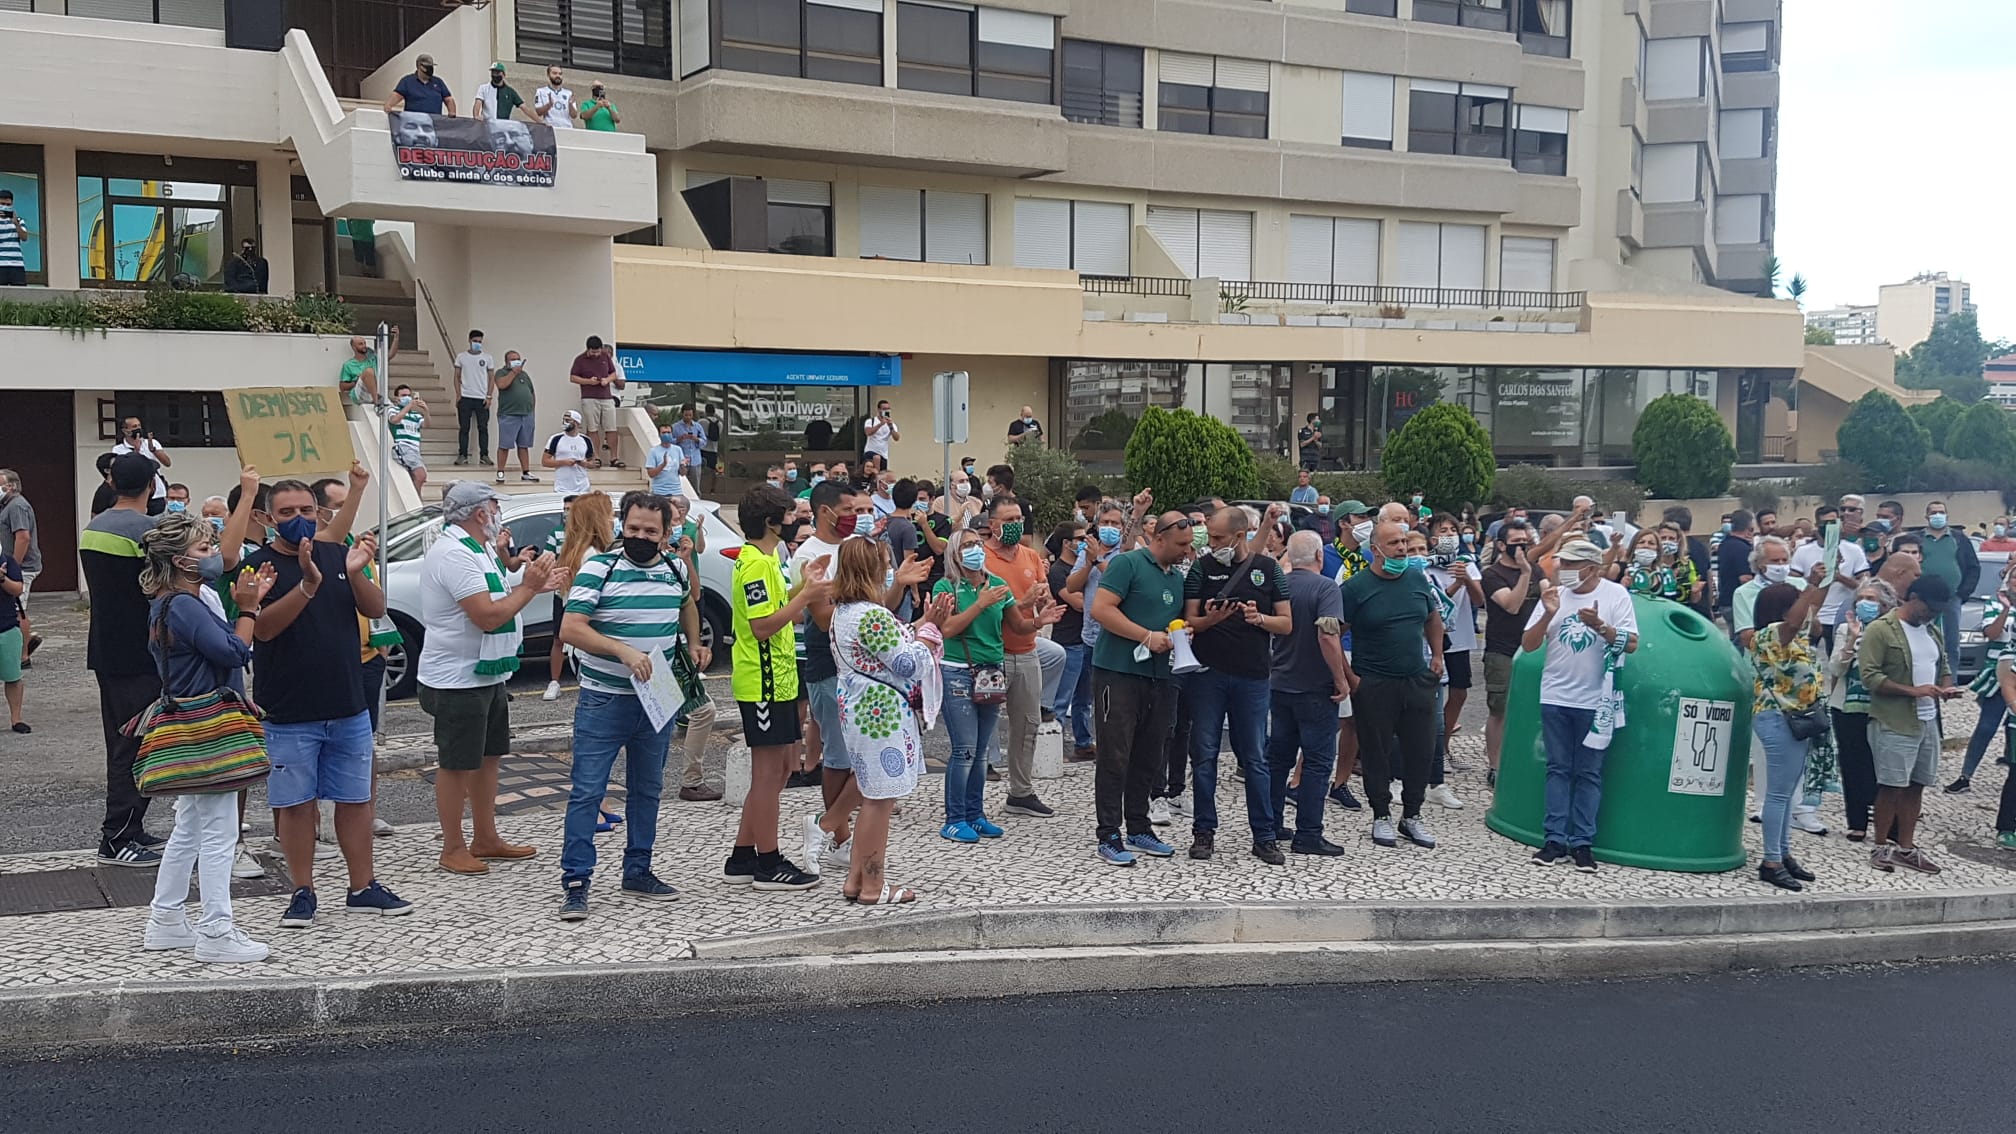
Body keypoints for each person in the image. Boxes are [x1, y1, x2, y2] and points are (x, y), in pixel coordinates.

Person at [244, 475, 412, 927]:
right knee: (297, 805)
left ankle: (363, 886)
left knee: (356, 799)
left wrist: (355, 573)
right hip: (289, 708)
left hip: (347, 703)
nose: (298, 520)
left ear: (319, 514)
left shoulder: (339, 554)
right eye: (286, 513)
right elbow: (262, 629)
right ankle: (303, 890)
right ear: (267, 518)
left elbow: (376, 610)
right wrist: (307, 586)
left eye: (305, 511)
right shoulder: (258, 568)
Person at [555, 492, 708, 918]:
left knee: (648, 788)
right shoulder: (600, 568)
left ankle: (638, 869)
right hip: (605, 697)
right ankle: (576, 879)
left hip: (657, 693)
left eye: (650, 531)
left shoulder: (674, 567)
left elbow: (687, 605)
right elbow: (571, 628)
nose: (640, 536)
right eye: (634, 528)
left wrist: (694, 643)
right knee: (588, 790)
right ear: (622, 526)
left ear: (666, 533)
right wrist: (623, 652)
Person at [136, 515, 277, 963]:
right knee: (219, 830)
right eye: (203, 548)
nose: (214, 553)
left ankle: (166, 919)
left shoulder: (166, 603)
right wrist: (250, 609)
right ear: (181, 561)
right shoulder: (185, 605)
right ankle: (216, 930)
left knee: (190, 826)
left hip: (184, 717)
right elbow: (234, 651)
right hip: (208, 723)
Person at [417, 483, 548, 876]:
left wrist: (533, 586)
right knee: (457, 763)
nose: (498, 514)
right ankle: (453, 846)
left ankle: (486, 836)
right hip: (456, 678)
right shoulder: (454, 553)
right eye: (495, 507)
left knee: (490, 757)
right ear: (479, 513)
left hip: (485, 672)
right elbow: (487, 615)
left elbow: (501, 599)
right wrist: (530, 587)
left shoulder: (481, 551)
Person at [829, 538, 945, 904]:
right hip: (881, 716)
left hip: (859, 711)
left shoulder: (845, 612)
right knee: (880, 802)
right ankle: (874, 885)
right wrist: (930, 632)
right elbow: (907, 663)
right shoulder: (871, 614)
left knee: (870, 796)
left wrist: (922, 624)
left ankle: (855, 879)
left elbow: (890, 644)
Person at [725, 485, 825, 891]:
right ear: (770, 522)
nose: (794, 522)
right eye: (788, 515)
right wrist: (807, 599)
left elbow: (774, 606)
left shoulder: (770, 561)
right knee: (768, 775)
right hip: (762, 683)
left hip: (780, 680)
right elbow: (762, 625)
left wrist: (803, 587)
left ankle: (744, 854)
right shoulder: (754, 565)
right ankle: (768, 860)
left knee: (783, 768)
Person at [1183, 505, 1292, 864]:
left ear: (1239, 535)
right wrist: (1211, 619)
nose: (1211, 544)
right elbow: (1190, 622)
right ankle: (1203, 831)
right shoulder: (1201, 568)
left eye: (1217, 538)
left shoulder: (1268, 569)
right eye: (1209, 537)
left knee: (1256, 758)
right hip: (1208, 674)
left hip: (1253, 676)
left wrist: (1257, 617)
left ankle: (1265, 835)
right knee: (1204, 756)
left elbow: (1286, 624)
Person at [1521, 539, 1639, 872]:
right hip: (1555, 695)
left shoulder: (1616, 595)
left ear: (1592, 566)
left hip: (1596, 699)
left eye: (1572, 564)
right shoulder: (1555, 596)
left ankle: (1583, 843)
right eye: (1563, 563)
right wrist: (1547, 614)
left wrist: (1600, 626)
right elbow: (1528, 644)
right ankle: (1554, 839)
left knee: (1589, 773)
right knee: (1558, 768)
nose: (1564, 569)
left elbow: (1631, 643)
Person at [1088, 512, 1194, 866]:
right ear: (1159, 537)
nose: (1186, 550)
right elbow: (1101, 610)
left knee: (1149, 755)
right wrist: (1146, 637)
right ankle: (1108, 833)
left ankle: (1138, 826)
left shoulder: (1175, 577)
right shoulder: (1127, 565)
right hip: (1117, 674)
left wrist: (1180, 635)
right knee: (1115, 755)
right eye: (1180, 544)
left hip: (1159, 677)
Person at [83, 454, 166, 866]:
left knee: (121, 742)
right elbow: (202, 568)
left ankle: (132, 828)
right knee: (133, 746)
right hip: (141, 652)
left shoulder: (93, 527)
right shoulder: (148, 531)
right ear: (152, 485)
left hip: (105, 649)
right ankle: (115, 839)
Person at [1859, 576, 1961, 875]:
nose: (1932, 615)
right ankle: (1880, 846)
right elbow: (1870, 677)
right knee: (1891, 785)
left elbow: (1942, 666)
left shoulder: (1932, 631)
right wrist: (1914, 691)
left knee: (1917, 785)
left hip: (1927, 720)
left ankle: (1906, 847)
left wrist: (1946, 687)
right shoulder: (1880, 629)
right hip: (1893, 719)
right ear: (1913, 598)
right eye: (1928, 609)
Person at [1264, 531, 1351, 855]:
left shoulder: (1280, 585)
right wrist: (1341, 680)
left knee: (1278, 760)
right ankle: (1309, 834)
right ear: (1319, 557)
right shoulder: (1326, 588)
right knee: (1317, 763)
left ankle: (1271, 824)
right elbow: (1328, 636)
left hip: (1280, 684)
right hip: (1315, 688)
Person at [980, 496, 1063, 820]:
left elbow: (1043, 597)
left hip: (1027, 649)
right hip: (992, 651)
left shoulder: (1030, 555)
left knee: (1027, 724)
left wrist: (1045, 604)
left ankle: (1021, 791)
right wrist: (1022, 601)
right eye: (1009, 519)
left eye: (1019, 518)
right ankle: (970, 798)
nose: (1016, 524)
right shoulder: (982, 558)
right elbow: (982, 606)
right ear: (993, 524)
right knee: (982, 727)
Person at [1748, 575, 1831, 890]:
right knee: (1779, 794)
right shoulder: (1770, 635)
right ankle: (1771, 860)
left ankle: (1782, 853)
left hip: (1796, 718)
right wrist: (1810, 585)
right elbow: (1796, 620)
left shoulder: (1795, 639)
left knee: (1785, 793)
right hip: (1778, 717)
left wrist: (1825, 581)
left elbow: (1809, 612)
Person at [1829, 579, 1897, 843]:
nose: (1865, 604)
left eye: (1872, 599)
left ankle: (1887, 821)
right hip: (1847, 705)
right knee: (1852, 762)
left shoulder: (1892, 630)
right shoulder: (1846, 628)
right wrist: (1852, 641)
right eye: (1861, 598)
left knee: (1881, 765)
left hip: (1881, 706)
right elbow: (1835, 669)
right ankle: (1857, 821)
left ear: (1885, 605)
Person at [1425, 511, 1482, 799]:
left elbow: (1480, 599)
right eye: (1443, 531)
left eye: (1452, 530)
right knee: (1432, 695)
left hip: (1460, 639)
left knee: (1459, 692)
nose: (1449, 535)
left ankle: (1444, 746)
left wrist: (1466, 579)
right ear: (1433, 537)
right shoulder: (1426, 565)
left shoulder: (1467, 563)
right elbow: (1436, 602)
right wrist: (1456, 583)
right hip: (1436, 639)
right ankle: (1429, 753)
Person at [1479, 520, 1539, 788]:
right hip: (1501, 649)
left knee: (1529, 707)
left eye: (1525, 541)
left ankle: (1523, 760)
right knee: (1500, 709)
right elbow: (1511, 605)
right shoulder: (1492, 574)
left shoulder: (1536, 569)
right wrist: (1525, 574)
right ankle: (1495, 765)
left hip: (1532, 649)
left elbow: (1551, 596)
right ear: (1502, 545)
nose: (1522, 547)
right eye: (1516, 542)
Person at [1950, 563, 2016, 794]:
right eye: (2014, 577)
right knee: (1987, 726)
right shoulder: (1995, 602)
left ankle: (2011, 768)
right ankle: (1965, 775)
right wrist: (2006, 610)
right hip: (1999, 671)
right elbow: (1990, 633)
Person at [1790, 503, 1871, 651]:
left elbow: (1866, 585)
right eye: (1825, 523)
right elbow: (1791, 584)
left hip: (1842, 616)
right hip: (1814, 616)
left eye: (1833, 523)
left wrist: (1839, 577)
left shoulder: (1854, 550)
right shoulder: (1803, 551)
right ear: (1817, 525)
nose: (1829, 527)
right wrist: (1813, 579)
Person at [1047, 522, 1095, 760]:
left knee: (1084, 698)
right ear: (1066, 543)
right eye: (1079, 539)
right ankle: (1052, 750)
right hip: (1068, 640)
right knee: (1062, 699)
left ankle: (1084, 742)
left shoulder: (1083, 567)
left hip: (1087, 639)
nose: (1084, 542)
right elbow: (1076, 602)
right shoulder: (1058, 571)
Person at [1917, 499, 1978, 670]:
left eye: (1941, 512)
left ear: (1947, 515)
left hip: (1952, 598)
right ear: (1926, 516)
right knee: (1923, 637)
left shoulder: (1958, 538)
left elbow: (1973, 567)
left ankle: (1950, 681)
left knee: (1951, 643)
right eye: (1933, 513)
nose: (1938, 516)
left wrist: (1962, 593)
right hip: (1924, 599)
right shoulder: (1918, 539)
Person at [0, 469, 41, 671]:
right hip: (9, 565)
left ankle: (23, 655)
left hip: (21, 567)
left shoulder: (17, 506)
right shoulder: (6, 506)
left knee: (18, 610)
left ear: (11, 486)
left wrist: (13, 567)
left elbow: (23, 537)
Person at [570, 336, 624, 468]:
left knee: (611, 427)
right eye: (593, 352)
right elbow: (573, 377)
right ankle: (596, 457)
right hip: (589, 397)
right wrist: (589, 381)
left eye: (598, 352)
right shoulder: (580, 359)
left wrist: (607, 380)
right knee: (592, 428)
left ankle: (614, 457)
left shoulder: (605, 357)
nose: (596, 354)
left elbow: (614, 374)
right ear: (588, 349)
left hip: (606, 397)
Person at [449, 329, 495, 466]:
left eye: (480, 342)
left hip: (481, 397)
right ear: (469, 341)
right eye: (475, 341)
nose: (477, 344)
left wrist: (489, 396)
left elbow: (491, 378)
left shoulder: (487, 358)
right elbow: (456, 377)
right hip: (465, 397)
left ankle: (484, 455)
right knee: (464, 428)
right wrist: (458, 394)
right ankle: (462, 454)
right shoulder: (461, 357)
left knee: (483, 427)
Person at [492, 351, 538, 484]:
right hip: (509, 415)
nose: (517, 361)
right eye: (513, 359)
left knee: (524, 445)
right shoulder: (501, 373)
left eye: (518, 359)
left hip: (526, 415)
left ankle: (526, 472)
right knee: (504, 445)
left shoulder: (525, 375)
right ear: (507, 361)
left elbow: (532, 393)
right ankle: (500, 471)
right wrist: (513, 373)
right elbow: (502, 385)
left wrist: (532, 412)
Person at [111, 415, 172, 515]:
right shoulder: (118, 449)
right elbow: (132, 468)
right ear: (125, 431)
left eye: (139, 426)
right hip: (135, 495)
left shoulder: (151, 443)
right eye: (134, 427)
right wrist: (137, 450)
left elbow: (167, 463)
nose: (138, 429)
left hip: (156, 493)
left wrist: (153, 450)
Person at [382, 383, 429, 493]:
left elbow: (426, 424)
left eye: (409, 395)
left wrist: (426, 411)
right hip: (403, 446)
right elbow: (394, 420)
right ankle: (416, 503)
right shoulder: (392, 410)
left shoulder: (416, 415)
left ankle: (414, 500)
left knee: (416, 477)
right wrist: (409, 406)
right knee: (420, 475)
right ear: (396, 398)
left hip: (415, 449)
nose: (407, 398)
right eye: (403, 395)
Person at [339, 329, 399, 407]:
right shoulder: (348, 364)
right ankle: (377, 403)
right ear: (354, 347)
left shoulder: (373, 359)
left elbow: (390, 355)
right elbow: (342, 387)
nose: (364, 346)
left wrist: (396, 338)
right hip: (359, 393)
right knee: (369, 371)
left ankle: (377, 401)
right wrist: (356, 381)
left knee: (394, 411)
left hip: (375, 391)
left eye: (364, 343)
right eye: (361, 344)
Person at [544, 410, 596, 496]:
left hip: (583, 487)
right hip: (562, 487)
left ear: (576, 422)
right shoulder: (556, 439)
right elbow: (545, 461)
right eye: (564, 420)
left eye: (568, 420)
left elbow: (592, 462)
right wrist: (563, 462)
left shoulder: (586, 440)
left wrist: (584, 464)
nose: (564, 422)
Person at [1714, 509, 1755, 621]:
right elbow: (1745, 578)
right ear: (1749, 528)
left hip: (1726, 601)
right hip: (1738, 605)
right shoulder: (1742, 548)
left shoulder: (1724, 544)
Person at [0, 544, 24, 733]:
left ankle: (16, 719)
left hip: (7, 626)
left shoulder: (8, 561)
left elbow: (17, 589)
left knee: (13, 676)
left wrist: (1, 578)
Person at [385, 53, 454, 116]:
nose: (430, 69)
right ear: (419, 66)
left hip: (434, 123)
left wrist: (452, 112)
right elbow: (397, 95)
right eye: (427, 67)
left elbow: (448, 99)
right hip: (413, 123)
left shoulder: (438, 82)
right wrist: (389, 105)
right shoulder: (407, 81)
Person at [0, 187, 32, 286]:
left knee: (20, 293)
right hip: (1, 263)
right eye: (2, 204)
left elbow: (24, 237)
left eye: (8, 205)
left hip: (16, 264)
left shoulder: (19, 220)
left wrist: (16, 223)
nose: (5, 207)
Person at [534, 65, 574, 129]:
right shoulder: (541, 91)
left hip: (567, 128)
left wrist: (571, 105)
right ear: (548, 75)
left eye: (560, 74)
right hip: (550, 128)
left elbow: (574, 115)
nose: (558, 76)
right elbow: (538, 112)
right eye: (554, 73)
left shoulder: (569, 93)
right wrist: (549, 105)